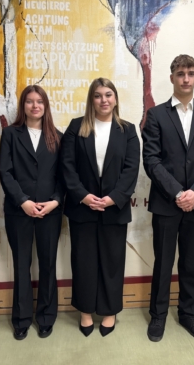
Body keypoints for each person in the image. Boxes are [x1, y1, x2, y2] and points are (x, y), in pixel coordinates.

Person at [142, 54, 194, 342]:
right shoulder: (156, 115)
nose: (185, 79)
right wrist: (178, 192)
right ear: (172, 78)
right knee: (163, 262)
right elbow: (151, 160)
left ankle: (188, 313)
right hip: (167, 203)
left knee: (192, 262)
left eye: (190, 73)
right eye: (180, 74)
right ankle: (158, 315)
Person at [61, 78, 140, 337]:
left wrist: (114, 197)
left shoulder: (127, 130)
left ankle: (109, 311)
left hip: (114, 209)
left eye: (108, 94)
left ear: (115, 98)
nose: (103, 100)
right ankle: (85, 311)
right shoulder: (76, 127)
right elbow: (67, 166)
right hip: (82, 208)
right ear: (91, 100)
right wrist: (83, 196)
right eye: (97, 95)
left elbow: (131, 169)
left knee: (112, 262)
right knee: (83, 262)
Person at [0, 85, 64, 341]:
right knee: (21, 265)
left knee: (48, 265)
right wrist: (23, 201)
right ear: (23, 106)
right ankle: (22, 319)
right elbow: (5, 172)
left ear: (45, 106)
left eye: (39, 101)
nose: (35, 106)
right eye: (29, 101)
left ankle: (46, 317)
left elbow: (64, 176)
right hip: (19, 211)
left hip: (50, 211)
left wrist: (56, 201)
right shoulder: (10, 134)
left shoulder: (58, 137)